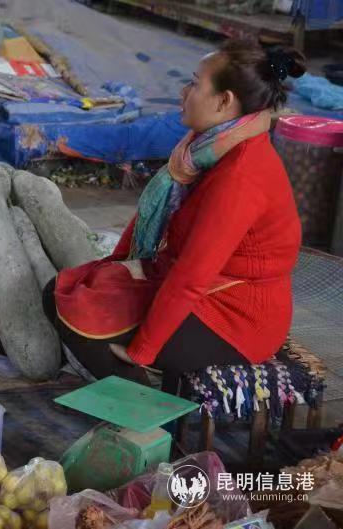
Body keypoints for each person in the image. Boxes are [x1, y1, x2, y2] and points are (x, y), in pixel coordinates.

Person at [42, 39, 305, 394]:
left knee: (81, 315)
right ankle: (133, 390)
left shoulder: (241, 174)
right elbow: (158, 225)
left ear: (224, 101)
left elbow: (192, 277)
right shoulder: (207, 147)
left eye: (195, 83)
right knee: (62, 290)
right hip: (192, 283)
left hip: (235, 318)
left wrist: (143, 350)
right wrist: (115, 265)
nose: (184, 92)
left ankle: (140, 411)